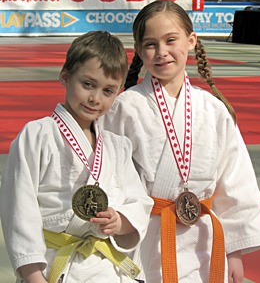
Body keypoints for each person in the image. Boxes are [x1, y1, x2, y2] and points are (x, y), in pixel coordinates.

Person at [100, 0, 260, 283]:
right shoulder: (125, 107)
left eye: (170, 40)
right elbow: (107, 175)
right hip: (143, 237)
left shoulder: (213, 110)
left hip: (201, 241)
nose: (162, 52)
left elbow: (235, 181)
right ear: (140, 51)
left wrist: (234, 252)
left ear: (191, 41)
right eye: (151, 44)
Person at [0, 31, 153, 283]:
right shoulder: (37, 135)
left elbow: (139, 201)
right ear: (65, 76)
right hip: (53, 267)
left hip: (107, 269)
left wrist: (120, 221)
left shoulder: (118, 146)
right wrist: (32, 276)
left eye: (108, 91)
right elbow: (19, 209)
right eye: (88, 84)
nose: (95, 98)